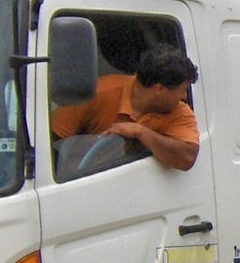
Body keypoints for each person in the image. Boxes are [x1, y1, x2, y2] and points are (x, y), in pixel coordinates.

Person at [51, 42, 200, 171]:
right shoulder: (95, 94)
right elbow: (48, 148)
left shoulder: (179, 110)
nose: (184, 97)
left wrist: (141, 132)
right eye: (182, 90)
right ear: (159, 89)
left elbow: (187, 157)